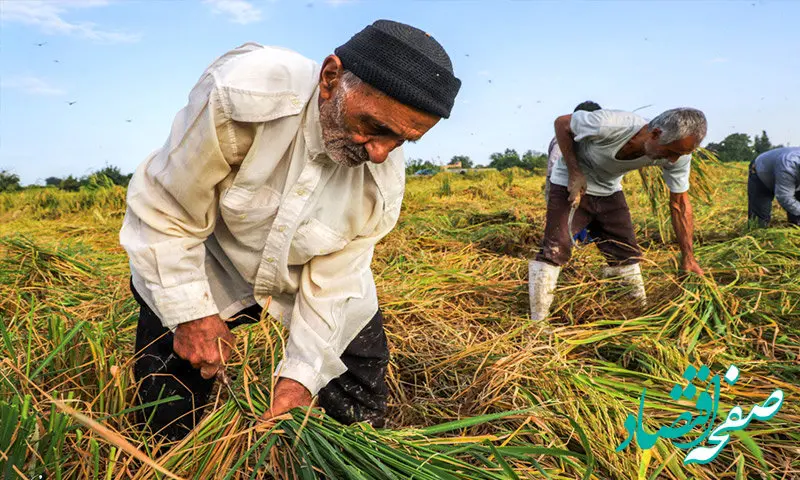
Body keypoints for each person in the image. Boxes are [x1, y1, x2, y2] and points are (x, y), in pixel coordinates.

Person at [119, 19, 461, 440]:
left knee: (356, 393)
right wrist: (191, 315)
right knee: (167, 391)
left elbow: (336, 282)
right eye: (376, 127)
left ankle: (350, 456)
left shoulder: (381, 185)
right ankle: (161, 454)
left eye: (403, 141)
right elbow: (167, 208)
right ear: (330, 78)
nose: (380, 153)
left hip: (303, 271)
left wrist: (300, 378)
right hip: (210, 258)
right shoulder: (244, 94)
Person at [529, 107, 707, 322]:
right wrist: (575, 171)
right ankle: (538, 323)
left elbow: (680, 204)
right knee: (556, 248)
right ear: (655, 134)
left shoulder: (679, 156)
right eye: (671, 152)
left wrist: (688, 257)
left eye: (680, 154)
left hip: (609, 189)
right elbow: (562, 123)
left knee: (626, 252)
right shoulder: (611, 124)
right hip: (570, 181)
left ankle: (635, 312)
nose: (672, 160)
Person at [545, 100, 602, 244]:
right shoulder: (563, 139)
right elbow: (554, 165)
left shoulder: (588, 140)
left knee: (581, 215)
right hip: (562, 183)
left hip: (579, 183)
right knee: (563, 219)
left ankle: (582, 240)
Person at [747, 147, 800, 227]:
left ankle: (795, 226)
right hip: (762, 171)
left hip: (788, 172)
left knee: (796, 213)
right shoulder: (788, 165)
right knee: (760, 216)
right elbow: (784, 197)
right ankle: (758, 230)